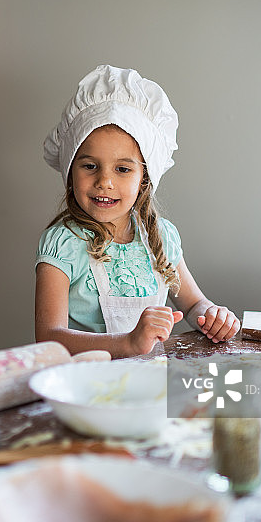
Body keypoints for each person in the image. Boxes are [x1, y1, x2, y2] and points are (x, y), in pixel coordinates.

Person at [35, 65, 239, 358]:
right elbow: (48, 339)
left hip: (151, 386)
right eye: (90, 166)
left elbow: (194, 305)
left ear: (144, 179)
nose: (104, 181)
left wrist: (213, 316)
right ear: (70, 171)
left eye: (122, 169)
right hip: (89, 388)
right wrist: (129, 343)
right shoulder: (63, 243)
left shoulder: (161, 238)